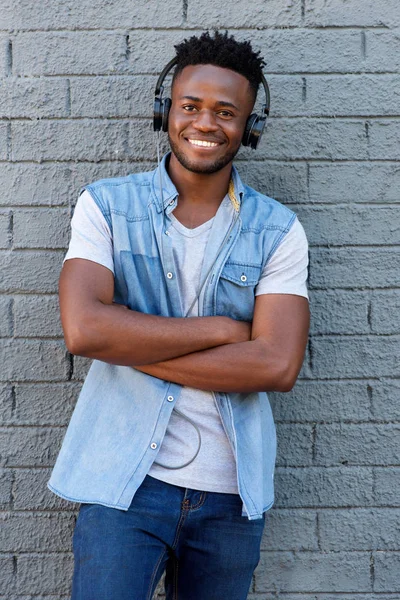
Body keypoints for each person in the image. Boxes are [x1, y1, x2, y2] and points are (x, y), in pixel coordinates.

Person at [48, 31, 310, 600]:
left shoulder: (279, 231)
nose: (206, 123)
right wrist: (221, 332)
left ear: (251, 127)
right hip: (125, 487)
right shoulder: (106, 206)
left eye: (226, 112)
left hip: (230, 497)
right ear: (167, 110)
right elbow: (85, 330)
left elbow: (276, 365)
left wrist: (134, 342)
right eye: (191, 106)